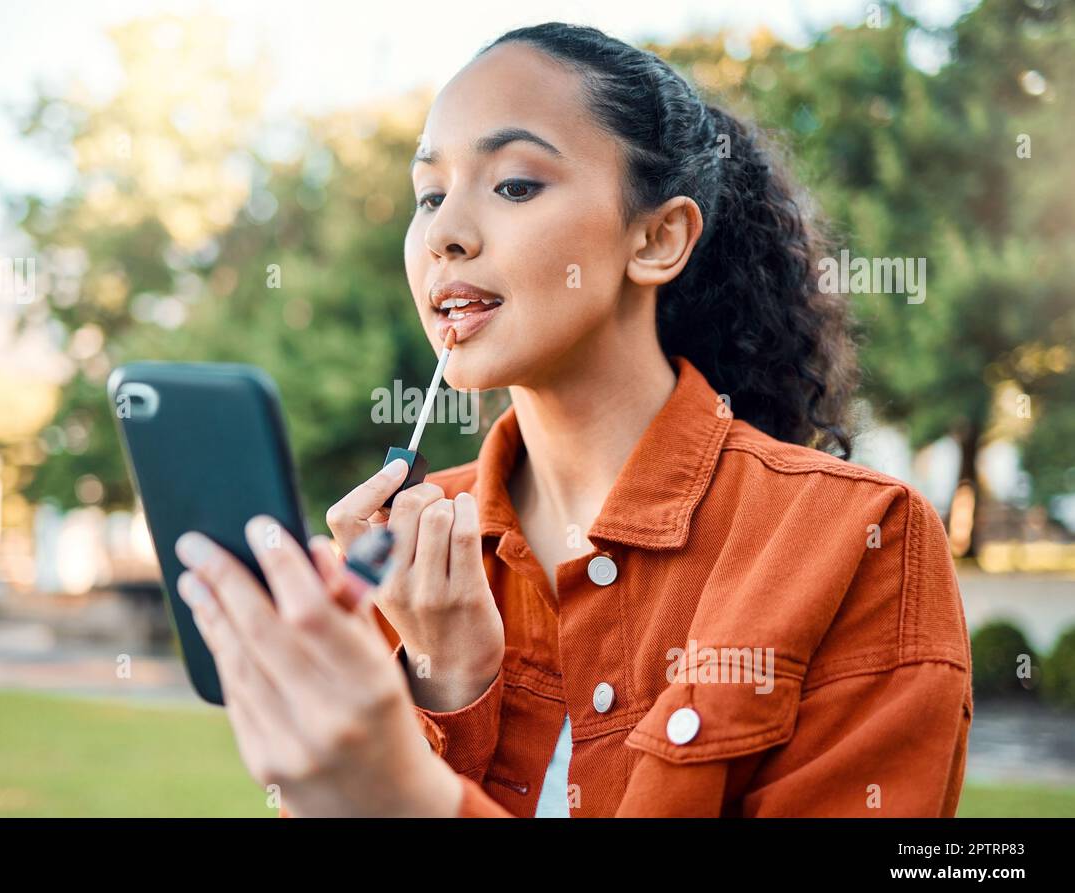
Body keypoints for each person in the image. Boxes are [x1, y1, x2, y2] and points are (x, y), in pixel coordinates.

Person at [174, 22, 972, 818]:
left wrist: (400, 789)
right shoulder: (397, 560)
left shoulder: (860, 540)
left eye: (515, 184)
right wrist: (444, 686)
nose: (445, 234)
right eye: (428, 194)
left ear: (658, 239)